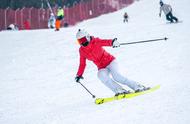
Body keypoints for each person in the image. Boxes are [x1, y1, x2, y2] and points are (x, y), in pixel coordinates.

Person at [75, 29, 150, 96]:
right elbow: (82, 64)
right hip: (101, 67)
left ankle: (138, 86)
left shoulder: (96, 41)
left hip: (110, 61)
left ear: (87, 37)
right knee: (101, 75)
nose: (82, 42)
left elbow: (105, 42)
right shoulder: (82, 51)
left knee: (117, 76)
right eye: (80, 41)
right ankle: (120, 90)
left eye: (83, 40)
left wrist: (113, 42)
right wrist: (79, 75)